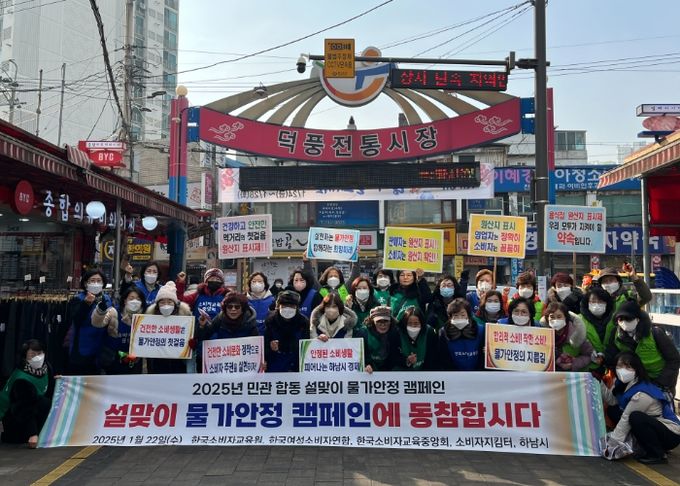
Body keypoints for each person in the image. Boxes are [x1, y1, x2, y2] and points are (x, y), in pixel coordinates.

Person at [601, 352, 680, 464]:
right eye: (619, 366)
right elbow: (613, 401)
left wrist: (613, 443)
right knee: (613, 410)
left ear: (637, 368)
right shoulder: (622, 384)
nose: (622, 370)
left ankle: (657, 454)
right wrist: (599, 383)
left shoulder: (643, 392)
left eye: (628, 366)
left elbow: (626, 417)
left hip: (670, 434)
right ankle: (645, 444)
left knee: (635, 417)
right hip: (653, 426)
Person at [606, 301, 680, 396]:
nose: (624, 322)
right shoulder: (616, 336)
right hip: (635, 383)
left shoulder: (655, 333)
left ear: (637, 319)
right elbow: (612, 357)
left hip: (661, 382)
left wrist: (660, 383)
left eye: (628, 318)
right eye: (620, 319)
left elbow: (674, 360)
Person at [0, 340, 55, 448]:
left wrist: (60, 381)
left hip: (32, 410)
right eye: (32, 355)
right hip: (15, 418)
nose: (37, 357)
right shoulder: (21, 379)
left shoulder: (46, 368)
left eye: (39, 353)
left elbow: (49, 391)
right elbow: (24, 409)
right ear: (25, 356)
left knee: (46, 402)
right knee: (42, 402)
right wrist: (32, 434)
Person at [176, 268, 229, 373]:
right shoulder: (197, 295)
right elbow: (181, 301)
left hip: (221, 341)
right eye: (212, 278)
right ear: (206, 280)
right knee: (201, 371)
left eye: (218, 279)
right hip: (201, 340)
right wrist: (180, 284)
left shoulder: (226, 296)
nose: (214, 281)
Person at [66, 269, 114, 375]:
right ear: (85, 283)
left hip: (101, 349)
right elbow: (76, 320)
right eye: (92, 280)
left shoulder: (107, 299)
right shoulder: (78, 299)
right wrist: (86, 304)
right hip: (82, 347)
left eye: (99, 281)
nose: (96, 283)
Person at [145, 281, 192, 374]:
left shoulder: (185, 318)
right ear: (157, 305)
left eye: (169, 302)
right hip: (156, 364)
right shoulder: (149, 319)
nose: (166, 305)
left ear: (175, 304)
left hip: (178, 363)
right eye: (162, 302)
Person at [95, 287, 143, 375]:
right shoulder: (113, 312)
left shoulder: (144, 318)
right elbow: (98, 323)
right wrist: (100, 311)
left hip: (134, 362)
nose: (135, 301)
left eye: (138, 299)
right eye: (131, 298)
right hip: (112, 360)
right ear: (125, 301)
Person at [540, 302, 595, 372]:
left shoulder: (577, 334)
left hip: (571, 374)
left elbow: (589, 355)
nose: (555, 320)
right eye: (552, 317)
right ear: (547, 319)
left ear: (565, 318)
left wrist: (573, 364)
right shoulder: (543, 334)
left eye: (559, 317)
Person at [264, 291, 310, 372]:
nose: (288, 309)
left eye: (291, 306)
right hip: (276, 365)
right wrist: (270, 347)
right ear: (278, 306)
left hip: (296, 365)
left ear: (297, 307)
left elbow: (306, 345)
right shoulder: (270, 321)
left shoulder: (303, 322)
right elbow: (265, 345)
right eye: (284, 306)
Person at [436, 298, 485, 371]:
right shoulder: (443, 332)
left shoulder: (480, 330)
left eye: (463, 315)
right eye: (456, 315)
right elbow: (443, 358)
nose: (460, 318)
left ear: (468, 315)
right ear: (450, 317)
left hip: (477, 373)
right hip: (453, 374)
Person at [579, 285, 616, 375]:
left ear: (607, 303)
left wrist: (606, 355)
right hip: (587, 369)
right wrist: (589, 353)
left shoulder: (616, 319)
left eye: (600, 301)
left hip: (612, 368)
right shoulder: (579, 320)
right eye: (593, 301)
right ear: (587, 303)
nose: (597, 304)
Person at [396, 306, 437, 371]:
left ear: (421, 323)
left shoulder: (429, 333)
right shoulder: (397, 333)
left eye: (416, 323)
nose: (413, 327)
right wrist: (406, 361)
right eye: (409, 324)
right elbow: (393, 357)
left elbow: (432, 357)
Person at [364, 306, 401, 373]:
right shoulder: (364, 333)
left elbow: (396, 357)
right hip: (369, 372)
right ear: (372, 321)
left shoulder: (395, 333)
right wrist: (365, 365)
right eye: (379, 321)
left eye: (386, 321)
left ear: (391, 321)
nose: (383, 325)